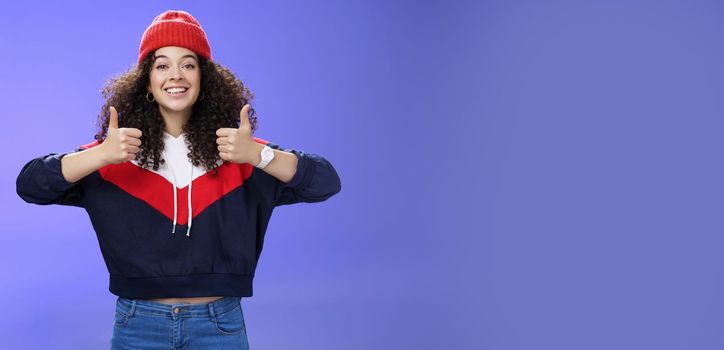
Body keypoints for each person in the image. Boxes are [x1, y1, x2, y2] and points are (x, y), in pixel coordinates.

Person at [15, 10, 341, 349]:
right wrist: (99, 155)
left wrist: (259, 155)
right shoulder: (115, 153)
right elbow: (30, 184)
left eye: (188, 64)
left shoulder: (239, 152)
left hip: (219, 324)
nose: (176, 75)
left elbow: (324, 182)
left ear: (204, 80)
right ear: (146, 81)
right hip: (137, 323)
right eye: (162, 65)